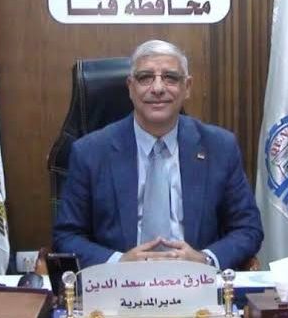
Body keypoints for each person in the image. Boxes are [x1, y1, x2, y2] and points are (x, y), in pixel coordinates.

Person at [53, 40, 263, 270]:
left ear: (187, 87)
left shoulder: (220, 147)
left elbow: (248, 228)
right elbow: (66, 236)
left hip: (197, 284)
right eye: (145, 78)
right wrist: (118, 263)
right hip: (120, 285)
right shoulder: (90, 152)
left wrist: (205, 260)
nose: (158, 88)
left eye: (170, 78)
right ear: (130, 87)